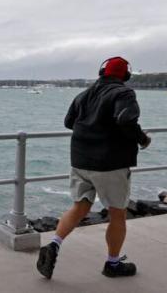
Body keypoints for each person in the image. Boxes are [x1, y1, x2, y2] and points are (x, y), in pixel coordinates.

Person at [36, 56, 151, 279]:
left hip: (80, 161)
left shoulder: (83, 95)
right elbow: (126, 118)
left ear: (101, 72)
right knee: (118, 214)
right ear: (125, 76)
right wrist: (142, 139)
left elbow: (69, 122)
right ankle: (113, 264)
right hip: (110, 163)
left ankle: (53, 245)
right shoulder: (124, 93)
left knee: (80, 206)